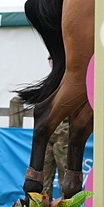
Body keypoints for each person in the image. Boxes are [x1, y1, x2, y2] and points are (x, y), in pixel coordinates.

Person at [41, 57, 71, 196]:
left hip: (64, 134)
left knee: (65, 175)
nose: (53, 62)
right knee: (43, 175)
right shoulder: (48, 83)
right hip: (47, 134)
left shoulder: (70, 82)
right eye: (50, 59)